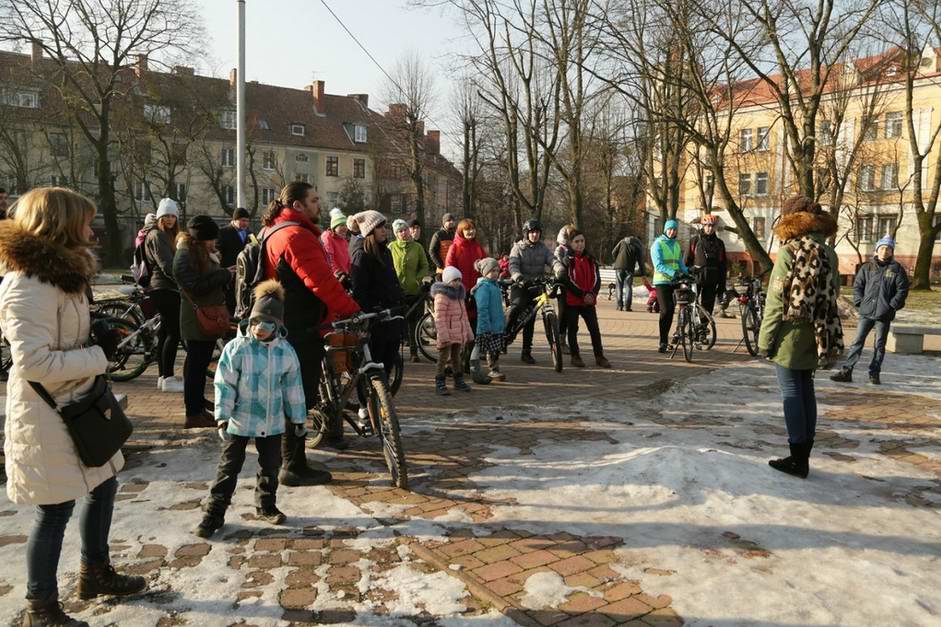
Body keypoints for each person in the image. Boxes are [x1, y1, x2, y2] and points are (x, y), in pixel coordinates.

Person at [0, 187, 146, 627]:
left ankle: (95, 571)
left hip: (78, 402)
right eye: (85, 221)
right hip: (47, 413)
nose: (92, 230)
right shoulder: (28, 282)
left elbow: (63, 336)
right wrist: (97, 354)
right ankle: (39, 607)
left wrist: (95, 329)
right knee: (55, 507)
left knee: (104, 483)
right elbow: (32, 361)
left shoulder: (62, 274)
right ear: (61, 224)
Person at [261, 182, 360, 484]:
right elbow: (321, 283)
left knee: (292, 397)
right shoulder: (295, 236)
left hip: (284, 326)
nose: (320, 205)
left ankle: (291, 460)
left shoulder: (274, 231)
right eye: (315, 200)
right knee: (297, 398)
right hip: (299, 329)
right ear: (298, 205)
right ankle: (292, 465)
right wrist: (352, 309)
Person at [195, 280, 307, 538]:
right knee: (228, 468)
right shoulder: (237, 349)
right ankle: (214, 512)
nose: (259, 329)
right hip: (240, 420)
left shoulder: (285, 352)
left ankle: (266, 504)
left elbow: (293, 387)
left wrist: (298, 418)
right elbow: (224, 384)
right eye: (256, 322)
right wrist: (222, 416)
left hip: (272, 421)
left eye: (267, 324)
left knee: (270, 465)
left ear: (277, 326)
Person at [758, 196, 842, 479]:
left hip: (790, 333)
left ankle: (797, 458)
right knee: (806, 389)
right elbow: (835, 294)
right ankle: (803, 454)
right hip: (820, 332)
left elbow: (775, 300)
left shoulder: (790, 252)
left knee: (791, 392)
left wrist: (764, 340)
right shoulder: (828, 253)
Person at [173, 215, 232, 429]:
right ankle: (193, 412)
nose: (214, 243)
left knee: (197, 365)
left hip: (204, 316)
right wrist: (224, 275)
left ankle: (197, 406)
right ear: (200, 238)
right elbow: (195, 287)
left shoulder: (197, 252)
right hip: (197, 319)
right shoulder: (185, 254)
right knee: (196, 368)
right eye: (211, 239)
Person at [831, 236, 909, 385]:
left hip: (884, 315)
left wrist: (892, 305)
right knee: (857, 342)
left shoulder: (896, 269)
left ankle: (874, 373)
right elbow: (858, 286)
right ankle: (846, 371)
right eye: (882, 248)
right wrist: (859, 302)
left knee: (879, 345)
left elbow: (902, 290)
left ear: (892, 251)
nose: (885, 251)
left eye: (888, 249)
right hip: (866, 312)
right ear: (877, 250)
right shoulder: (867, 267)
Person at [350, 210, 405, 378]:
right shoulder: (362, 255)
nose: (384, 230)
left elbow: (392, 280)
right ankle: (365, 401)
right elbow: (359, 290)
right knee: (373, 364)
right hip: (376, 319)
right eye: (379, 227)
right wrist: (371, 311)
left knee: (389, 361)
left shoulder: (386, 251)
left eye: (385, 226)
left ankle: (384, 400)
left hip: (391, 315)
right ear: (369, 231)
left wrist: (401, 298)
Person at [555, 230, 611, 368]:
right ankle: (575, 356)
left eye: (582, 241)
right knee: (572, 329)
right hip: (572, 301)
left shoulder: (590, 259)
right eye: (576, 241)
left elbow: (596, 279)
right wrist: (582, 294)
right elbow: (568, 280)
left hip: (588, 301)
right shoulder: (568, 260)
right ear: (570, 243)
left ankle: (599, 356)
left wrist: (592, 294)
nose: (580, 244)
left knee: (594, 329)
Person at [145, 198, 184, 392]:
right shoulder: (157, 236)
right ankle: (168, 377)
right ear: (160, 216)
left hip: (166, 288)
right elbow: (167, 266)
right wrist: (183, 281)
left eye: (173, 216)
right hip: (164, 288)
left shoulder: (167, 235)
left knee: (165, 333)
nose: (170, 219)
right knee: (174, 332)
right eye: (166, 216)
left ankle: (163, 376)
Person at [506, 219, 553, 364]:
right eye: (532, 232)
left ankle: (526, 352)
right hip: (520, 286)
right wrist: (518, 277)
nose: (534, 235)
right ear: (526, 234)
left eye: (537, 232)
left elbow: (552, 259)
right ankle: (506, 333)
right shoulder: (518, 248)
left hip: (536, 286)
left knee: (530, 320)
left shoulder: (543, 248)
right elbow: (512, 265)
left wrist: (559, 268)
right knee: (517, 306)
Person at [390, 219, 432, 363]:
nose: (403, 233)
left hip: (414, 290)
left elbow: (424, 266)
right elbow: (387, 267)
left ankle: (414, 353)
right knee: (396, 323)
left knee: (413, 323)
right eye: (400, 231)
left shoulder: (417, 247)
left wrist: (418, 279)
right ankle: (394, 353)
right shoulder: (391, 247)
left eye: (405, 230)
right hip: (396, 291)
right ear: (396, 234)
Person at [432, 266, 474, 395]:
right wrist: (443, 335)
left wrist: (468, 332)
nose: (457, 283)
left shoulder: (459, 296)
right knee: (443, 358)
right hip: (446, 334)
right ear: (447, 281)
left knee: (457, 357)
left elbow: (464, 316)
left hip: (457, 333)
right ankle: (440, 382)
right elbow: (439, 318)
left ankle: (458, 380)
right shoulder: (442, 297)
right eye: (454, 280)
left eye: (459, 280)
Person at [651, 219, 688, 353]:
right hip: (662, 282)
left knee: (676, 308)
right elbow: (658, 265)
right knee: (665, 310)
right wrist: (674, 273)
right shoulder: (657, 244)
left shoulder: (676, 245)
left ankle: (677, 335)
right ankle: (663, 341)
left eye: (674, 229)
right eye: (670, 229)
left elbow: (680, 263)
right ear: (665, 230)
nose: (672, 232)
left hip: (674, 281)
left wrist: (688, 271)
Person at [684, 214, 727, 319]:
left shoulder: (719, 243)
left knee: (707, 308)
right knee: (690, 304)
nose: (710, 228)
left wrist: (722, 285)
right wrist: (687, 274)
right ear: (703, 226)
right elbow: (686, 261)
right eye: (707, 225)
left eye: (712, 226)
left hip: (711, 280)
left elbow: (722, 265)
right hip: (696, 278)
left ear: (715, 227)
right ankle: (683, 327)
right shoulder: (694, 241)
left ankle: (702, 330)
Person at [474, 257, 507, 381]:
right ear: (484, 272)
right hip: (488, 326)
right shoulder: (484, 287)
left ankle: (494, 368)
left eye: (497, 271)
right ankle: (493, 370)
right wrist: (485, 326)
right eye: (492, 271)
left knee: (495, 350)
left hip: (497, 325)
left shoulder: (494, 285)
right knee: (490, 350)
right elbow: (482, 308)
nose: (495, 274)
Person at [217, 207, 252, 314]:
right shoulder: (223, 232)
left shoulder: (250, 234)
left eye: (247, 221)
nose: (245, 223)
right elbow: (217, 253)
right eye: (242, 220)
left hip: (244, 277)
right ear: (234, 220)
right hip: (229, 276)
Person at [611, 233, 645, 311]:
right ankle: (627, 306)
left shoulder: (622, 241)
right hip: (629, 268)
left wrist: (617, 260)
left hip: (619, 267)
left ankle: (619, 306)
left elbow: (613, 252)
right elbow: (640, 260)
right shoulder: (637, 246)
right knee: (628, 286)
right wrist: (643, 272)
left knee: (619, 286)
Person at [322, 207, 352, 282]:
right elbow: (329, 258)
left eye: (345, 225)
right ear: (334, 227)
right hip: (335, 277)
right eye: (341, 225)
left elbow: (348, 258)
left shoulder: (343, 239)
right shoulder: (328, 237)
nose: (345, 228)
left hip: (344, 275)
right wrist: (338, 273)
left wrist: (350, 273)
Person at [429, 212, 457, 277]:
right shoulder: (438, 235)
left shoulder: (456, 235)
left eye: (452, 220)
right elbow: (432, 251)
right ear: (444, 223)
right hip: (442, 271)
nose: (451, 222)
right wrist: (440, 264)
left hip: (453, 269)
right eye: (448, 220)